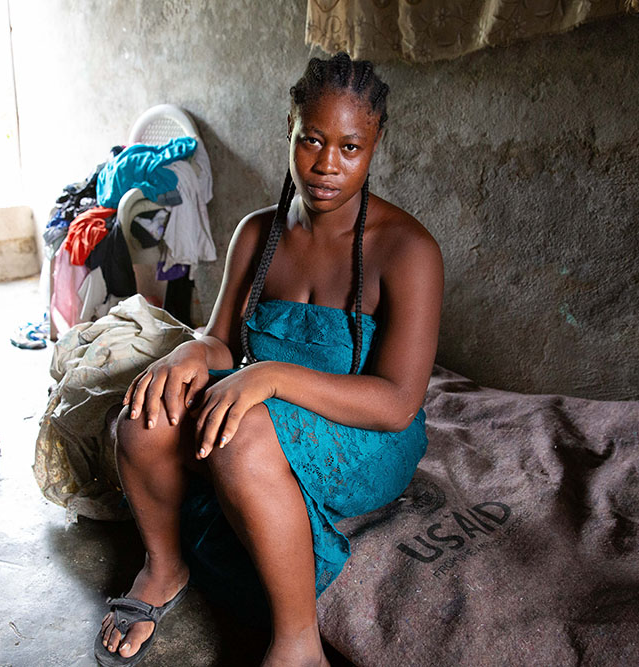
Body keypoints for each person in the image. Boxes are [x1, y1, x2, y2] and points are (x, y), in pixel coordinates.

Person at [96, 52, 443, 667]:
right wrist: (189, 352)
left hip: (365, 432)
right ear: (290, 128)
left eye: (350, 147)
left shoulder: (407, 249)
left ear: (376, 144)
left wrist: (271, 376)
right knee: (144, 415)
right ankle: (164, 567)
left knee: (240, 433)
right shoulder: (257, 233)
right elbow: (221, 340)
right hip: (263, 397)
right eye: (312, 140)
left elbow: (396, 403)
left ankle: (298, 644)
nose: (327, 166)